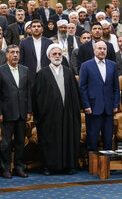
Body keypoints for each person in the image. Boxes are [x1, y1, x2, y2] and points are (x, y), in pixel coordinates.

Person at [34, 44, 81, 175]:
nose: (57, 56)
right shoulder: (42, 73)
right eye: (54, 54)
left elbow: (74, 95)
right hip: (49, 116)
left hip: (67, 114)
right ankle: (49, 166)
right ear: (49, 56)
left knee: (67, 138)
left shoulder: (68, 72)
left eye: (59, 54)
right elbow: (37, 97)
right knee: (50, 140)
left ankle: (68, 166)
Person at [0, 45, 31, 178]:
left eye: (17, 53)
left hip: (22, 112)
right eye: (12, 53)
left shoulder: (25, 70)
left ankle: (19, 168)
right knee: (6, 143)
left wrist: (29, 111)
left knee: (21, 142)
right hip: (6, 113)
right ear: (7, 55)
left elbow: (28, 92)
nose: (15, 55)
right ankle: (6, 168)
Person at [79, 41, 120, 152]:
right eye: (99, 48)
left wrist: (116, 104)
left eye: (104, 49)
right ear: (94, 50)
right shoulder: (86, 65)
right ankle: (93, 166)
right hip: (92, 108)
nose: (102, 51)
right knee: (92, 138)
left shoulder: (113, 65)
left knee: (108, 139)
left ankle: (106, 166)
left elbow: (116, 87)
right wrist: (86, 105)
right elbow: (82, 88)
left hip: (109, 108)